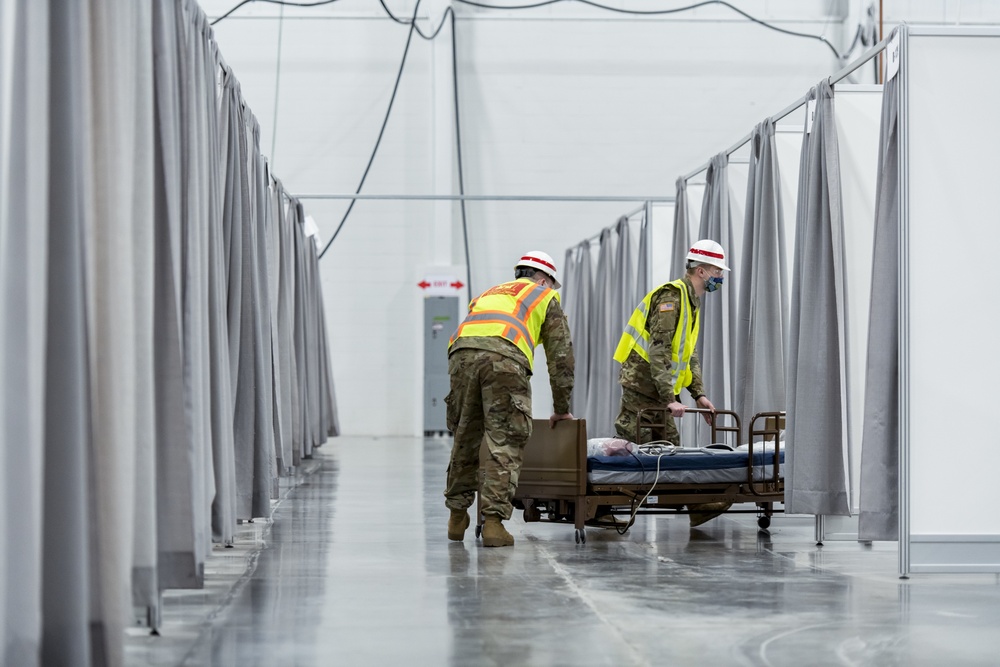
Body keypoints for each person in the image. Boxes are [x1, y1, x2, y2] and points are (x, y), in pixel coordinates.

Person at [444, 251, 575, 547]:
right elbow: (561, 358)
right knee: (503, 440)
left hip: (460, 356)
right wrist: (562, 408)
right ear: (543, 279)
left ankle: (456, 516)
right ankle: (493, 524)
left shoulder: (489, 293)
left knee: (466, 434)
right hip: (503, 360)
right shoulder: (542, 295)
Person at [612, 239, 730, 527]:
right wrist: (669, 398)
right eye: (717, 271)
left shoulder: (691, 301)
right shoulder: (672, 298)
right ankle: (605, 503)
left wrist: (698, 394)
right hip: (643, 386)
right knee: (641, 449)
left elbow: (688, 353)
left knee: (665, 450)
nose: (721, 278)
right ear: (701, 271)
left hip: (657, 388)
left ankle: (695, 506)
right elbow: (660, 349)